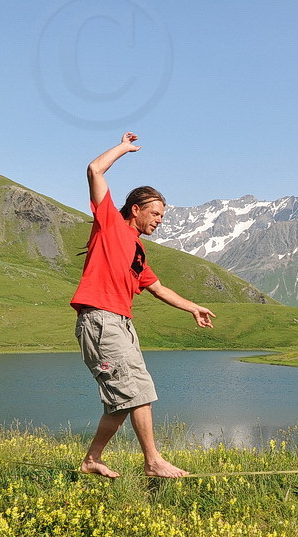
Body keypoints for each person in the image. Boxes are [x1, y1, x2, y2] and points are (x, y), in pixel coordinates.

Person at [71, 132, 215, 479]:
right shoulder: (109, 225)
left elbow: (158, 288)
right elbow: (94, 170)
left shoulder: (137, 250)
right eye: (155, 213)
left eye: (162, 216)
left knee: (132, 394)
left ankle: (92, 459)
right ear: (135, 209)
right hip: (101, 319)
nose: (159, 220)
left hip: (121, 323)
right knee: (135, 392)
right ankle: (152, 462)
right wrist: (123, 147)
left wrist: (193, 307)